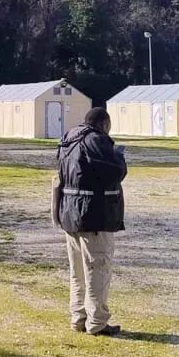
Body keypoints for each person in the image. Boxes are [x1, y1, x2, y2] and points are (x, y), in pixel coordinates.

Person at [51, 107, 128, 336]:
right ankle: (97, 323)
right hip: (93, 216)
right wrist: (119, 156)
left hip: (70, 215)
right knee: (98, 269)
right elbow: (115, 172)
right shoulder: (96, 140)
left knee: (78, 272)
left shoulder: (68, 139)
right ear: (103, 124)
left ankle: (78, 318)